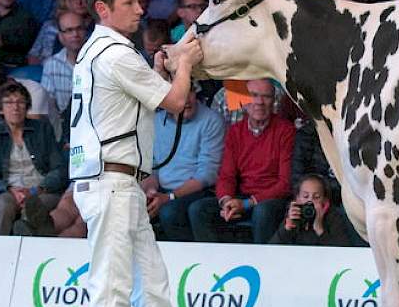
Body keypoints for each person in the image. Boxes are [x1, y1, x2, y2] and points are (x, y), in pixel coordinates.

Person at [69, 0, 221, 307]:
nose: (140, 9)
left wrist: (159, 69)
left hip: (118, 180)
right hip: (112, 180)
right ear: (103, 8)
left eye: (140, 1)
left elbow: (146, 99)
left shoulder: (99, 51)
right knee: (112, 282)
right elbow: (175, 102)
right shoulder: (115, 53)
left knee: (149, 280)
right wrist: (185, 64)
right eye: (130, 3)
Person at [189, 79, 296, 244]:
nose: (259, 102)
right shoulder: (235, 131)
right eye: (253, 96)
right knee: (198, 210)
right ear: (244, 101)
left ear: (273, 101)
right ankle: (215, 264)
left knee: (262, 212)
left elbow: (285, 184)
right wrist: (226, 201)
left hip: (272, 199)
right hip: (242, 197)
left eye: (266, 96)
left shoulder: (286, 131)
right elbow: (226, 176)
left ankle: (264, 265)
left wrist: (247, 203)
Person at [0, 81, 65, 235]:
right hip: (9, 191)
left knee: (33, 207)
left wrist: (36, 190)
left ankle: (28, 247)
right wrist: (11, 190)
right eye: (9, 103)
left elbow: (58, 169)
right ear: (0, 109)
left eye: (20, 102)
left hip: (42, 190)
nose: (15, 107)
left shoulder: (43, 129)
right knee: (4, 206)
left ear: (27, 106)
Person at [143, 92, 225, 241]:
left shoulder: (211, 120)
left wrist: (169, 197)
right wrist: (151, 192)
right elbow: (153, 167)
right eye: (180, 94)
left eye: (190, 93)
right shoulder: (156, 122)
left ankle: (189, 261)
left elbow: (207, 175)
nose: (186, 100)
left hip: (199, 190)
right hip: (163, 190)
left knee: (169, 212)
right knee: (129, 206)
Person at [268, 173, 353, 246]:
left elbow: (342, 252)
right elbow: (271, 250)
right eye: (305, 196)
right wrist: (286, 229)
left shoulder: (333, 216)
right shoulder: (294, 214)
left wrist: (319, 229)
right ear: (297, 199)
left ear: (325, 200)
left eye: (316, 197)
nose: (310, 201)